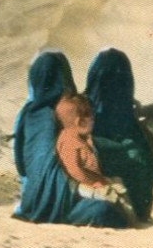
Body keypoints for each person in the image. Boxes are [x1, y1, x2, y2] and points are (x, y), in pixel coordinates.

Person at [11, 50, 128, 228]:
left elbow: (21, 165)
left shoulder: (28, 114)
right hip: (61, 203)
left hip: (31, 202)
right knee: (106, 211)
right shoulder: (58, 114)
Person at [85, 47, 153, 222]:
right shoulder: (86, 105)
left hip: (110, 160)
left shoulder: (93, 102)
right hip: (100, 158)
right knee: (137, 155)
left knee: (137, 154)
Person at [54, 94, 137, 225]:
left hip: (93, 182)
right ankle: (130, 224)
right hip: (85, 189)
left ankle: (131, 221)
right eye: (90, 116)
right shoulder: (69, 141)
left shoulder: (79, 138)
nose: (93, 118)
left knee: (118, 186)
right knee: (115, 196)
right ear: (79, 121)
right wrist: (94, 183)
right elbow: (74, 170)